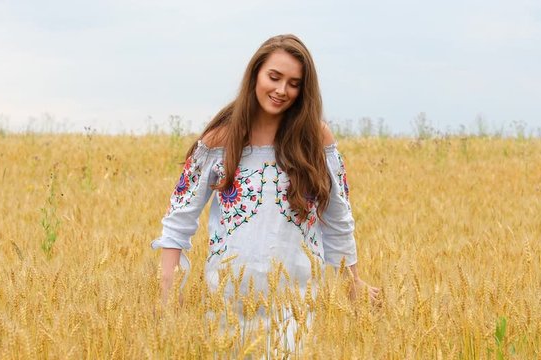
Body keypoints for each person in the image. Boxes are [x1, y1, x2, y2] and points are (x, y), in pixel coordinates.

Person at [152, 34, 379, 342]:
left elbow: (338, 218)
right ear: (255, 73)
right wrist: (166, 291)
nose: (281, 90)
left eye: (294, 83)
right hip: (225, 310)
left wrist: (352, 282)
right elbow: (179, 219)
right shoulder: (219, 140)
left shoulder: (316, 140)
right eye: (274, 77)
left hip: (297, 312)